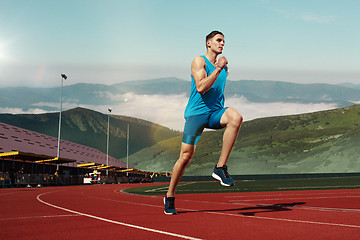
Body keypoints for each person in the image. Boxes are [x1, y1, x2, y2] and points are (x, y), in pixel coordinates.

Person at [164, 31, 243, 215]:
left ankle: (220, 167)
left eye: (224, 41)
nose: (222, 43)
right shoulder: (199, 61)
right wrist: (218, 68)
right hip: (196, 115)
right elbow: (200, 87)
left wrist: (221, 69)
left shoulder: (224, 68)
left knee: (236, 117)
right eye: (218, 40)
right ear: (208, 43)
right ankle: (170, 196)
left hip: (215, 113)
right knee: (185, 157)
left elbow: (217, 91)